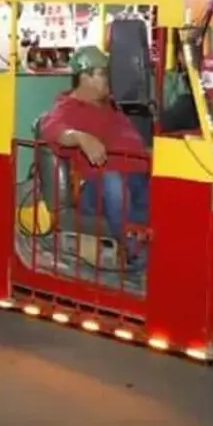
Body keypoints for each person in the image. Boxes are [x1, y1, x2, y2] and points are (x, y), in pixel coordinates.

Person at [38, 46, 150, 269]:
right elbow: (50, 129)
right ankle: (134, 252)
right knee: (112, 180)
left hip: (136, 176)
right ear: (85, 77)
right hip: (97, 188)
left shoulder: (109, 105)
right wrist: (79, 137)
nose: (108, 79)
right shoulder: (66, 107)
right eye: (102, 73)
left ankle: (154, 245)